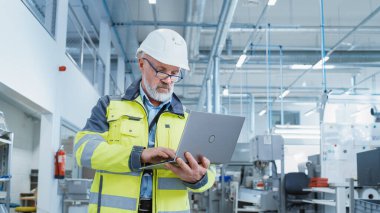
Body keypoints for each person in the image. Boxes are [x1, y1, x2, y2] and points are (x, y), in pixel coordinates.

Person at [74, 29, 215, 213]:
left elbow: (210, 174)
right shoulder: (110, 106)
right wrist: (138, 156)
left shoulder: (188, 119)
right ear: (142, 64)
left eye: (174, 73)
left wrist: (198, 178)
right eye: (161, 70)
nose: (168, 80)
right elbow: (84, 151)